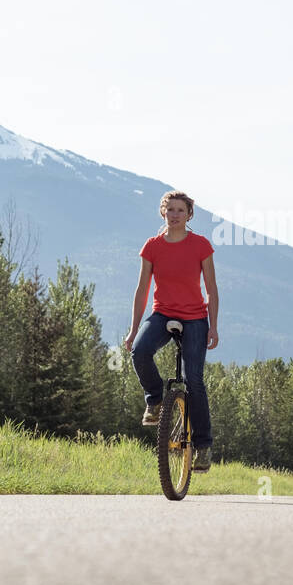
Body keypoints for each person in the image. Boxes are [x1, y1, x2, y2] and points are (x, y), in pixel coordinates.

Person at [121, 191, 219, 472]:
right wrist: (133, 330)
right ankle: (155, 400)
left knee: (194, 380)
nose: (175, 214)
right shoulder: (152, 246)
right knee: (139, 351)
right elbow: (142, 291)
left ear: (189, 215)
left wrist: (213, 326)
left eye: (181, 210)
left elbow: (211, 290)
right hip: (162, 314)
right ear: (163, 212)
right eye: (170, 210)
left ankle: (202, 446)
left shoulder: (201, 245)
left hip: (195, 318)